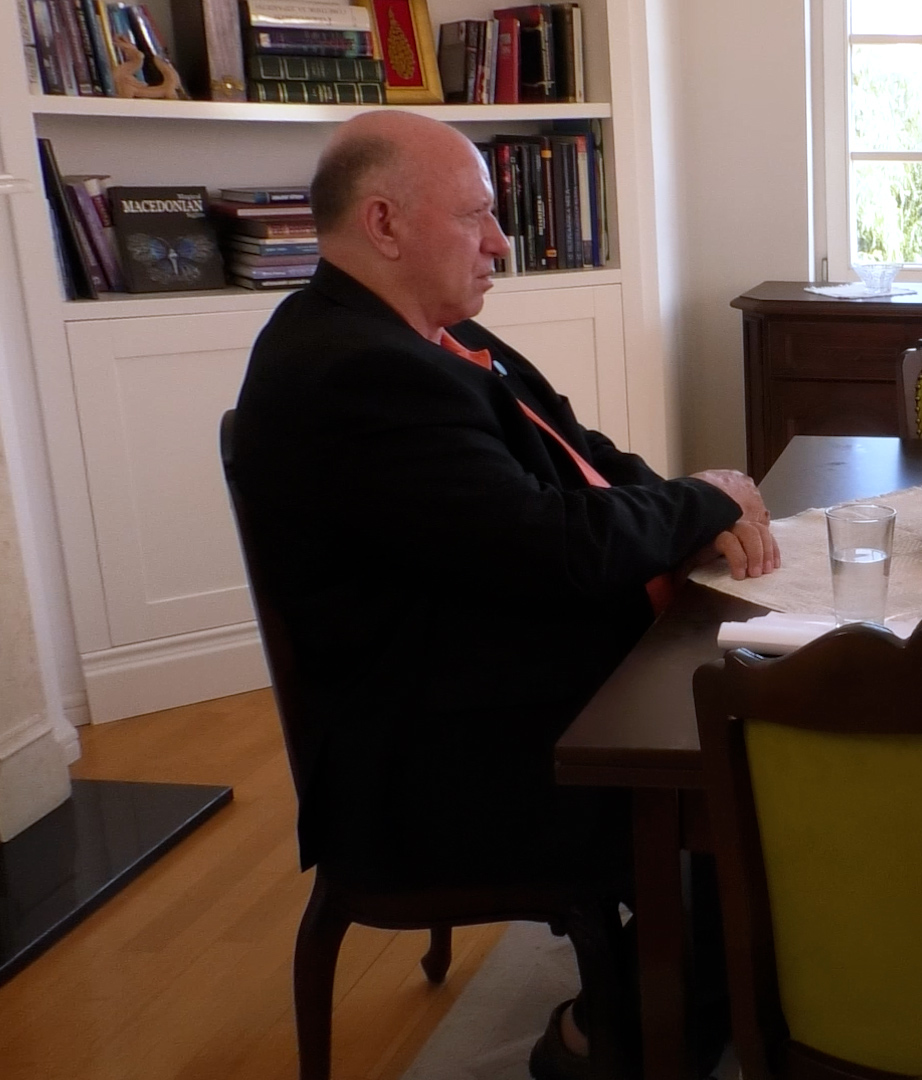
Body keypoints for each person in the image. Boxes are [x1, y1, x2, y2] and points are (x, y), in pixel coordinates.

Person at [229, 111, 777, 1078]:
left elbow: (584, 459)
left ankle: (718, 973)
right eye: (475, 216)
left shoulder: (434, 335)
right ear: (384, 224)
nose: (500, 243)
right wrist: (702, 502)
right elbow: (547, 545)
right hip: (443, 753)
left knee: (757, 733)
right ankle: (601, 1038)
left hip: (499, 678)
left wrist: (688, 511)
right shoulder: (353, 372)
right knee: (753, 778)